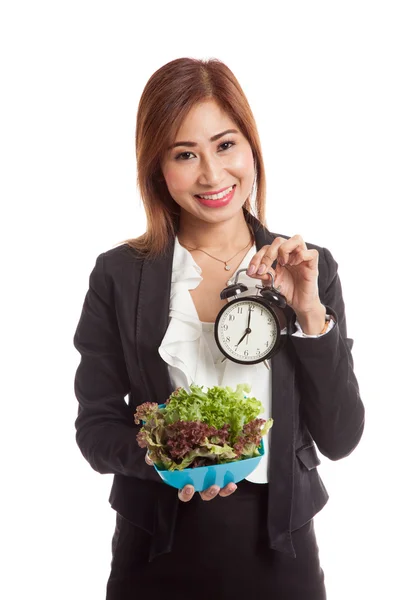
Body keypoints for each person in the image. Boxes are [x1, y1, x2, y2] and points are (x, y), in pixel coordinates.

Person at [73, 57, 365, 599]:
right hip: (155, 554)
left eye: (225, 145)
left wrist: (309, 312)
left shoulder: (308, 267)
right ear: (156, 168)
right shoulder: (118, 274)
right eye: (185, 154)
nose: (211, 174)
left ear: (252, 148)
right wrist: (178, 462)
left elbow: (342, 437)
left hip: (282, 555)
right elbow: (96, 430)